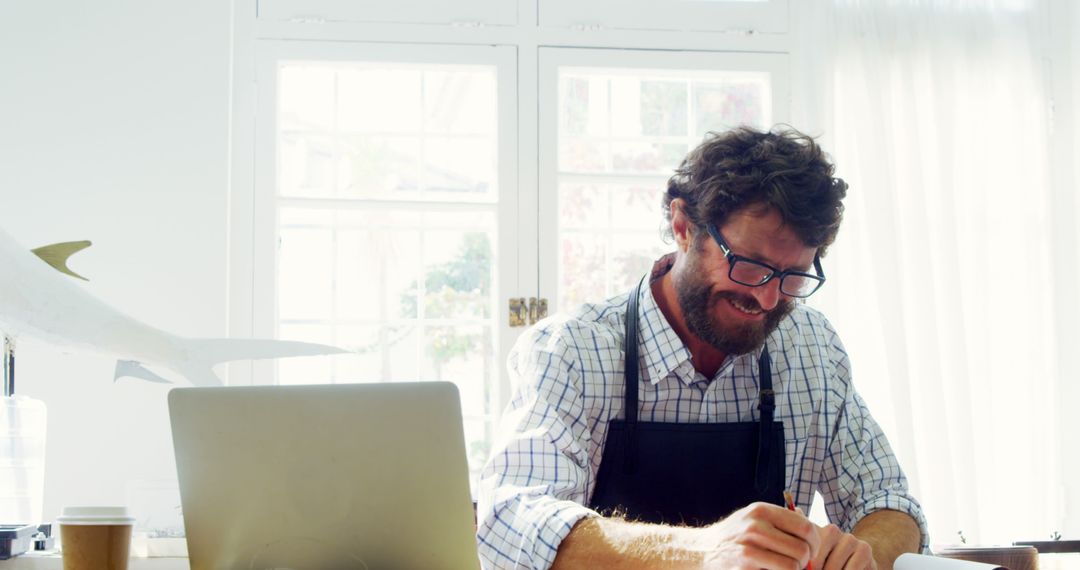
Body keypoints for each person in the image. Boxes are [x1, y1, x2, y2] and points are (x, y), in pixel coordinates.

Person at [476, 125, 927, 570]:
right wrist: (701, 551)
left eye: (793, 276)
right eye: (751, 267)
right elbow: (513, 521)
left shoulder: (811, 346)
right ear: (683, 226)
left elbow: (888, 501)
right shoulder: (571, 350)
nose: (768, 300)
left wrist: (866, 552)